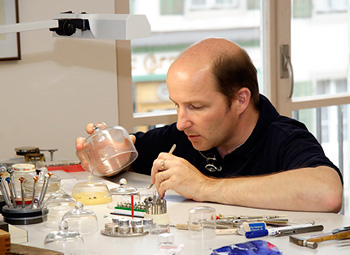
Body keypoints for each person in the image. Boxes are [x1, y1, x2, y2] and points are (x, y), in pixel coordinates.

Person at [76, 38, 343, 213]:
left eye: (196, 107)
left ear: (240, 100)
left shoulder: (283, 137)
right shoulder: (183, 136)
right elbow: (127, 159)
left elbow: (328, 193)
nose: (181, 122)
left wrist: (204, 186)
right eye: (176, 105)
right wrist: (107, 155)